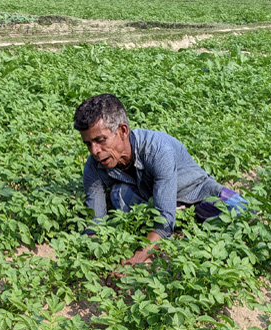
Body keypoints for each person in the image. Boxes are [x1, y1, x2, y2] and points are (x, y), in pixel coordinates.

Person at [74, 94, 248, 266]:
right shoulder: (94, 167)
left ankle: (188, 217)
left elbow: (163, 221)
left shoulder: (157, 150)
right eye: (88, 144)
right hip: (152, 200)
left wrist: (135, 259)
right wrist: (98, 260)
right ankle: (180, 221)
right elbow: (95, 222)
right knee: (119, 194)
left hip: (194, 193)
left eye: (100, 140)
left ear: (122, 131)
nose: (95, 151)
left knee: (242, 213)